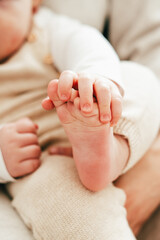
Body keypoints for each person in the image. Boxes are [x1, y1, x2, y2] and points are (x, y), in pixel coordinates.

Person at [0, 0, 159, 240]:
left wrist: (95, 83)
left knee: (141, 79)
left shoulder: (48, 28)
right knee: (67, 209)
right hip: (40, 161)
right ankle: (100, 160)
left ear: (33, 4)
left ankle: (110, 152)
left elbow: (89, 46)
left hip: (99, 119)